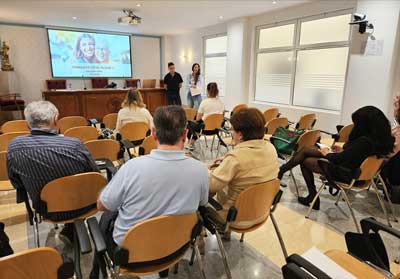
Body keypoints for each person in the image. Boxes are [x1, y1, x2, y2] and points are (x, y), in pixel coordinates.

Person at [90, 105, 209, 279]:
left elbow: (102, 205)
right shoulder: (200, 170)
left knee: (107, 215)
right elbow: (202, 203)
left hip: (131, 254)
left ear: (153, 134)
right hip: (177, 246)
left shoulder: (131, 168)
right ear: (185, 135)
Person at [6, 101, 99, 240]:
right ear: (56, 119)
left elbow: (16, 182)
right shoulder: (74, 145)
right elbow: (95, 174)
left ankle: (69, 229)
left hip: (47, 210)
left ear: (27, 123)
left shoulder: (14, 147)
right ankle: (71, 229)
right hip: (84, 204)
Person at [278, 106, 395, 210]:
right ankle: (283, 171)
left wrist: (326, 153)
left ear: (365, 124)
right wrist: (343, 150)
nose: (355, 126)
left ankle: (310, 194)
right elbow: (355, 155)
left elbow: (338, 159)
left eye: (357, 123)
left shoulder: (365, 142)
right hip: (354, 170)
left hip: (346, 173)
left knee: (305, 160)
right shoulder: (378, 139)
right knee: (306, 150)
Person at [207, 108, 279, 236]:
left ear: (240, 134)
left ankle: (197, 246)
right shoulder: (271, 148)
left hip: (234, 218)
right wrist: (228, 160)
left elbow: (211, 185)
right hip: (261, 212)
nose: (231, 133)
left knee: (196, 199)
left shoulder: (236, 158)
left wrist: (207, 170)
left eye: (232, 130)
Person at [187, 82, 225, 149]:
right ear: (217, 91)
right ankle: (191, 142)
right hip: (216, 130)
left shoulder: (204, 102)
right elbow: (222, 116)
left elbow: (198, 119)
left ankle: (191, 143)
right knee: (198, 123)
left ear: (207, 91)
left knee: (190, 123)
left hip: (204, 130)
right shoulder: (221, 103)